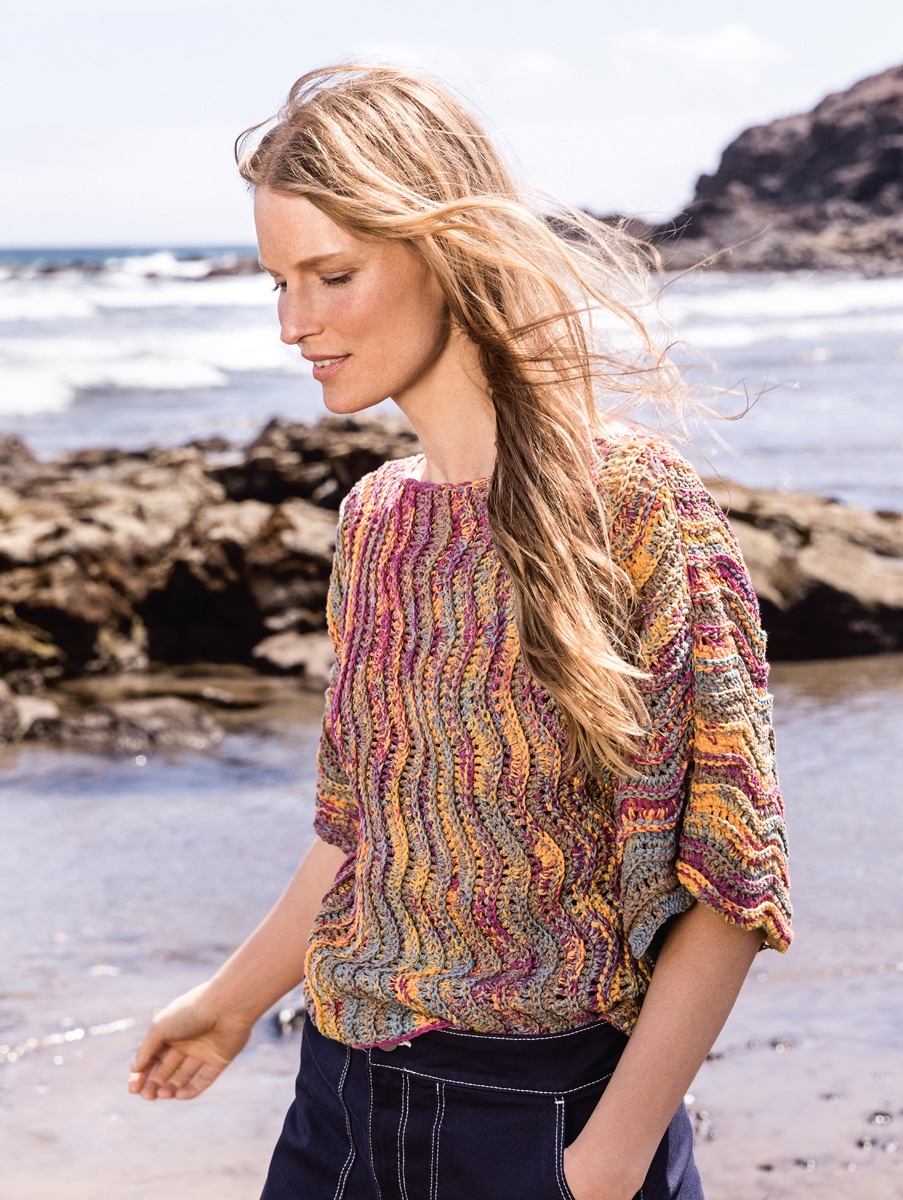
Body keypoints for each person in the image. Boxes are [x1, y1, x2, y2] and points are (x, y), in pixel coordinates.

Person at [127, 64, 792, 1200]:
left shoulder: (636, 507)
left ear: (446, 252)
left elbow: (730, 870)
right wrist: (230, 1004)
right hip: (336, 1105)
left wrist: (610, 1159)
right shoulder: (376, 522)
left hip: (550, 1121)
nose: (294, 323)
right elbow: (360, 830)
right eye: (279, 282)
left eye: (332, 275)